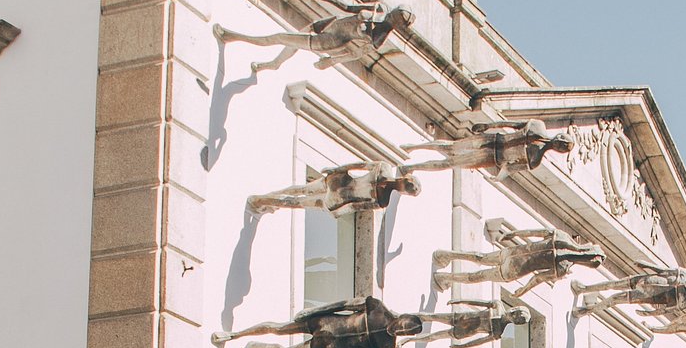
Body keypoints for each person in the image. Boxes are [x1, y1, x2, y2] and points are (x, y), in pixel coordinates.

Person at [216, 0, 415, 73]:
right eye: (395, 12)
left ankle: (231, 36)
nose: (391, 16)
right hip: (328, 23)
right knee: (290, 44)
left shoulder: (378, 38)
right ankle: (274, 64)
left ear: (397, 23)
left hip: (327, 41)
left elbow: (352, 53)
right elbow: (347, 7)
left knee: (278, 37)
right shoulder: (379, 8)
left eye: (395, 18)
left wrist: (331, 61)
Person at [215, 296, 425, 348]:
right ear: (402, 317)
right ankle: (235, 335)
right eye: (405, 325)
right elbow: (345, 304)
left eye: (406, 332)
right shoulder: (377, 307)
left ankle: (253, 347)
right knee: (278, 328)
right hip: (326, 322)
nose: (402, 329)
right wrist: (315, 310)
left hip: (327, 347)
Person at [431, 225, 603, 295]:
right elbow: (537, 278)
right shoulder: (562, 269)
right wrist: (524, 289)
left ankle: (445, 254)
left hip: (513, 253)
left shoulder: (563, 237)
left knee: (479, 257)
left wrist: (516, 234)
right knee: (478, 276)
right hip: (515, 269)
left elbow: (536, 232)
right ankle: (445, 278)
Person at [402, 120, 573, 178]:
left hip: (492, 157)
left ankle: (412, 167)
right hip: (493, 139)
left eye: (562, 149)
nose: (559, 146)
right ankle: (414, 147)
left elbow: (510, 168)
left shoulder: (535, 161)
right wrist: (488, 125)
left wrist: (498, 178)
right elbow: (511, 124)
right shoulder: (537, 126)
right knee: (452, 147)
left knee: (450, 163)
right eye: (562, 143)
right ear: (559, 137)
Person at [246, 162, 420, 216]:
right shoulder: (383, 201)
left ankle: (268, 197)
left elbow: (358, 165)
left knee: (301, 189)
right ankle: (263, 201)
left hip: (339, 181)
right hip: (339, 199)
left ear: (405, 177)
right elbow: (356, 206)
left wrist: (336, 170)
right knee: (299, 202)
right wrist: (337, 212)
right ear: (404, 192)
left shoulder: (384, 168)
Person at [572, 266, 686, 318]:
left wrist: (650, 313)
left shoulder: (685, 300)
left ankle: (586, 311)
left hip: (647, 296)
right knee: (614, 284)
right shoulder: (684, 273)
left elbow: (665, 310)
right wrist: (646, 265)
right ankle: (584, 288)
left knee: (615, 299)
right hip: (646, 280)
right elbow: (663, 271)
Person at [405, 301, 531, 348]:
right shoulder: (498, 306)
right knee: (430, 317)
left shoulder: (498, 332)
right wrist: (461, 301)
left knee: (434, 336)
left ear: (516, 322)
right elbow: (481, 303)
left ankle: (409, 339)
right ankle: (402, 317)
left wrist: (462, 346)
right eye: (515, 310)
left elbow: (479, 341)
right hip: (462, 317)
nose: (512, 313)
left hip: (464, 331)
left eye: (516, 316)